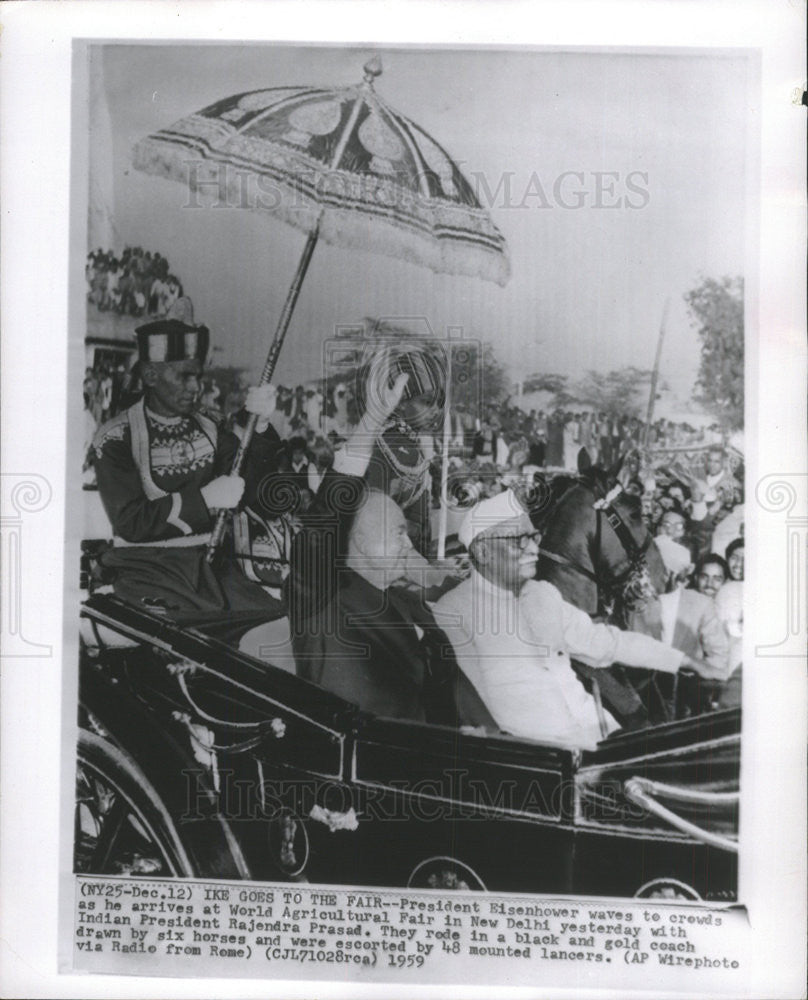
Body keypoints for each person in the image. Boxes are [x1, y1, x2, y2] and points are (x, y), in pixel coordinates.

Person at [431, 490, 723, 749]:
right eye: (519, 541)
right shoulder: (454, 612)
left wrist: (686, 662)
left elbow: (609, 643)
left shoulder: (544, 594)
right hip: (538, 756)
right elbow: (469, 707)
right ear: (482, 552)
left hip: (600, 736)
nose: (534, 548)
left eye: (533, 537)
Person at [285, 371, 496, 728]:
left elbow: (460, 698)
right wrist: (371, 422)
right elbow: (322, 526)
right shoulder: (319, 596)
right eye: (396, 533)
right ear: (356, 539)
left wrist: (497, 742)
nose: (408, 542)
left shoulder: (411, 606)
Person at [92, 319, 283, 635]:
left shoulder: (210, 427)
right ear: (151, 376)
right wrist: (205, 501)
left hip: (213, 569)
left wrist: (260, 426)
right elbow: (130, 521)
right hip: (147, 569)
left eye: (198, 376)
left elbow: (250, 490)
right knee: (195, 642)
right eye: (184, 376)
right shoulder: (115, 438)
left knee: (274, 626)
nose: (196, 387)